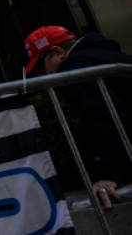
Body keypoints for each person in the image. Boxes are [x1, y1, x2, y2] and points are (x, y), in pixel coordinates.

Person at [24, 25, 132, 210]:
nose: (44, 76)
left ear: (57, 52)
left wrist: (106, 173)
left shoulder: (76, 66)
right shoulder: (101, 56)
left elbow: (101, 116)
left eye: (42, 68)